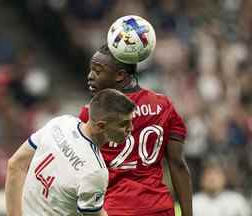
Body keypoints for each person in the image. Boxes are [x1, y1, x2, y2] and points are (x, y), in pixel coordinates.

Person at [79, 44, 193, 216]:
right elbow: (177, 164)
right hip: (159, 209)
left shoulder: (90, 113)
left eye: (97, 71)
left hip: (114, 209)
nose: (90, 77)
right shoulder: (164, 106)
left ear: (120, 75)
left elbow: (80, 169)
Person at [5, 88, 135, 216]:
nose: (131, 128)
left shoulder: (61, 123)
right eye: (124, 124)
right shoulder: (95, 171)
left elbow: (15, 165)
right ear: (101, 126)